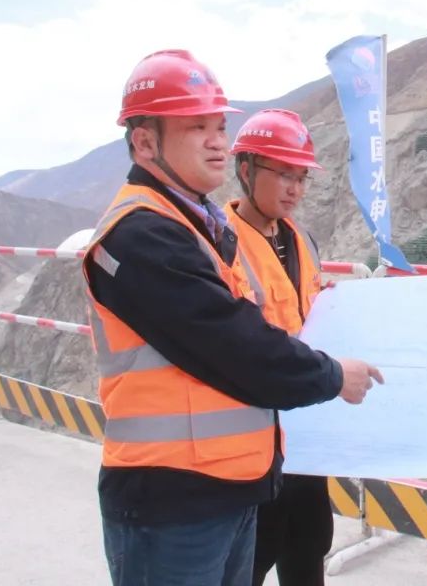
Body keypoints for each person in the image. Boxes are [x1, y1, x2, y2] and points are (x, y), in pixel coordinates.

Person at [82, 49, 382, 586]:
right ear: (145, 142)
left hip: (233, 483)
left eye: (219, 126)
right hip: (172, 500)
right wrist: (334, 376)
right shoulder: (142, 234)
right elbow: (236, 344)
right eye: (196, 127)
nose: (217, 141)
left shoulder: (198, 226)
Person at [224, 109, 337, 586]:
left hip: (305, 426)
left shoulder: (302, 239)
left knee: (309, 543)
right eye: (284, 175)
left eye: (302, 178)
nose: (295, 189)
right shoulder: (221, 242)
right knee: (254, 553)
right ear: (246, 170)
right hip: (255, 434)